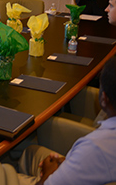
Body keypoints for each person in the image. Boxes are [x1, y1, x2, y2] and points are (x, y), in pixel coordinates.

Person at [16, 56, 116, 185]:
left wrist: (48, 173)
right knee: (31, 152)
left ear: (103, 98)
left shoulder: (95, 147)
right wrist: (74, 162)